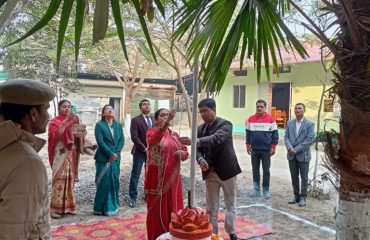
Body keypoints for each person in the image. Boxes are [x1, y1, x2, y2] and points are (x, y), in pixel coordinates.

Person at [0, 79, 55, 239]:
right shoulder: (27, 162)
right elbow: (13, 232)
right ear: (33, 114)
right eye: (46, 109)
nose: (49, 116)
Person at [180, 98, 241, 240]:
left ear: (214, 110)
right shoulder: (200, 129)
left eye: (205, 111)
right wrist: (200, 159)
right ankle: (213, 235)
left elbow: (216, 139)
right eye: (200, 111)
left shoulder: (226, 124)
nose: (202, 114)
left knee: (230, 204)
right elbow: (198, 150)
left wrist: (195, 141)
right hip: (209, 173)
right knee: (211, 207)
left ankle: (231, 232)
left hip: (227, 170)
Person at [145, 108, 189, 240]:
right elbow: (154, 140)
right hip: (157, 181)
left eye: (167, 115)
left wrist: (183, 154)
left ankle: (173, 236)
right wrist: (168, 122)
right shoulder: (151, 132)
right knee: (158, 213)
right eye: (162, 115)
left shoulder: (175, 135)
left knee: (173, 209)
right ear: (156, 119)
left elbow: (185, 151)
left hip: (173, 180)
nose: (165, 117)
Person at [48, 100, 85, 219]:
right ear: (59, 108)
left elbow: (80, 136)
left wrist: (80, 128)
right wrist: (66, 122)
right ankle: (54, 209)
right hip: (60, 154)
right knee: (59, 179)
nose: (67, 109)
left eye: (69, 107)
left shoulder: (73, 121)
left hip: (72, 154)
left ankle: (68, 207)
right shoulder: (54, 122)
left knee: (70, 179)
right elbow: (57, 135)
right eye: (64, 107)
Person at [93, 104, 124, 216]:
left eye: (112, 109)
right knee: (104, 182)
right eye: (107, 109)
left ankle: (112, 207)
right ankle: (99, 208)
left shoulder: (118, 126)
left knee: (114, 182)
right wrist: (110, 153)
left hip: (115, 159)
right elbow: (100, 142)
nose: (110, 110)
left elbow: (121, 140)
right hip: (103, 158)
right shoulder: (99, 125)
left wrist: (116, 153)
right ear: (103, 113)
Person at [245, 99, 279, 199]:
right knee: (255, 170)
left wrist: (273, 147)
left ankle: (266, 190)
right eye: (257, 106)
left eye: (261, 107)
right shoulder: (250, 119)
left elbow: (275, 135)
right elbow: (248, 134)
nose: (259, 108)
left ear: (265, 108)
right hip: (254, 150)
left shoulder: (271, 120)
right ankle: (256, 190)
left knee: (266, 170)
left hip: (266, 150)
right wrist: (248, 145)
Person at [284, 103, 314, 207]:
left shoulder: (310, 124)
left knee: (304, 178)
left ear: (304, 110)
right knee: (294, 176)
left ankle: (303, 197)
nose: (297, 110)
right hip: (291, 155)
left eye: (300, 108)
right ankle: (296, 196)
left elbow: (309, 140)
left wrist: (295, 149)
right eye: (296, 108)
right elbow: (286, 137)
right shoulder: (289, 123)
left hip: (303, 155)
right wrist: (289, 148)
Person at [129, 99, 154, 208]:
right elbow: (134, 137)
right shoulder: (135, 120)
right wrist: (144, 148)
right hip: (139, 152)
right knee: (136, 174)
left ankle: (147, 195)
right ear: (140, 107)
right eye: (144, 104)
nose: (147, 106)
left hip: (153, 153)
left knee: (150, 175)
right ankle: (132, 197)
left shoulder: (154, 119)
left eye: (148, 104)